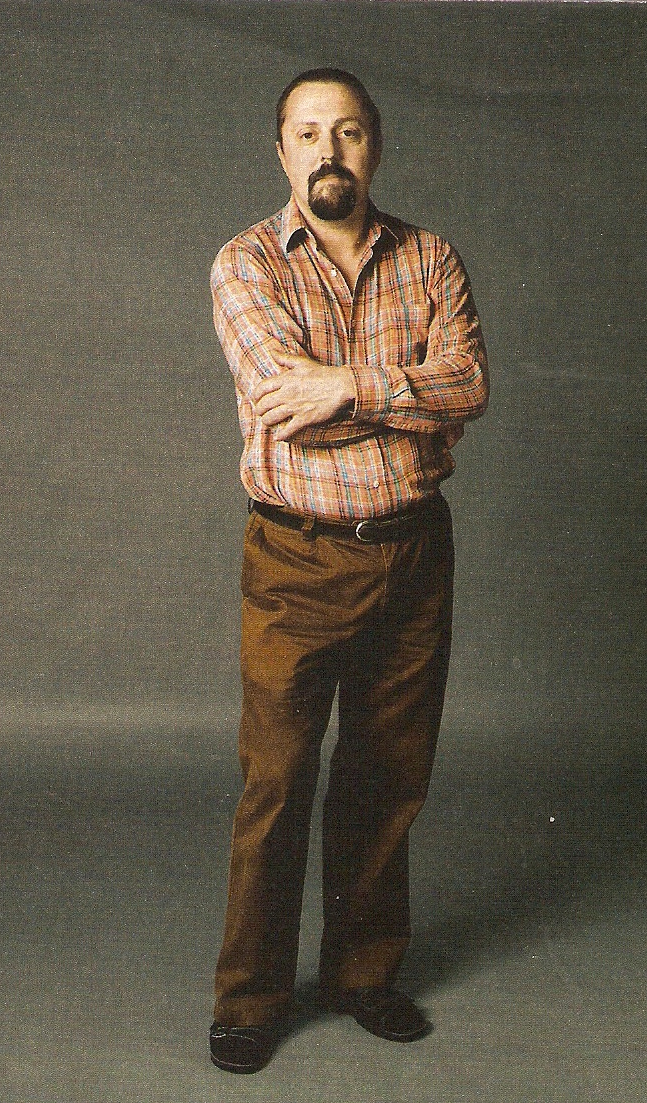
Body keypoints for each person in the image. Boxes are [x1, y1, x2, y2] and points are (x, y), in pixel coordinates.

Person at [208, 68, 489, 1074]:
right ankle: (249, 998)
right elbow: (283, 399)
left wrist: (344, 388)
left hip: (413, 553)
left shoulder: (431, 257)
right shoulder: (245, 263)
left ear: (374, 144)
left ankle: (362, 976)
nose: (329, 151)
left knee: (387, 776)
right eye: (308, 133)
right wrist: (398, 393)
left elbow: (471, 384)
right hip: (297, 557)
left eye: (349, 131)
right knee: (278, 781)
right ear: (280, 150)